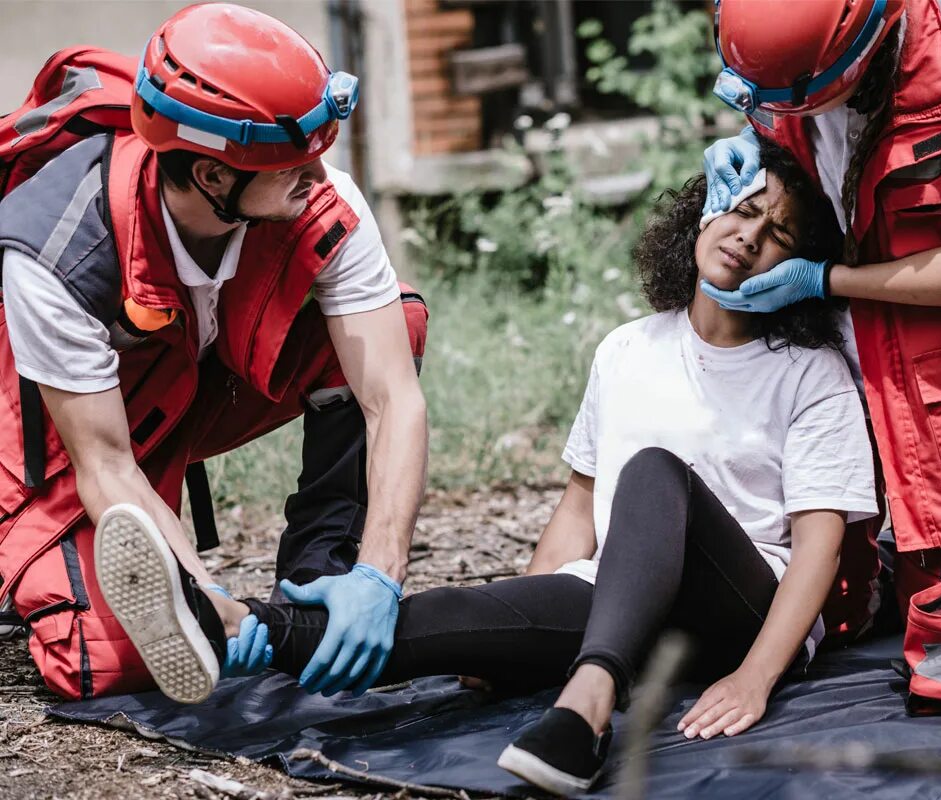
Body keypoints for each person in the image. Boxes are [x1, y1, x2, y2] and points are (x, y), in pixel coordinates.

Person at [95, 139, 880, 795]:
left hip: (736, 612)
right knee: (442, 624)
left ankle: (585, 708)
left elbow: (817, 548)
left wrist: (757, 678)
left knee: (652, 472)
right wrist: (510, 626)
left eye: (778, 234)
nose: (750, 235)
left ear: (798, 264)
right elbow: (578, 508)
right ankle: (234, 626)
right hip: (623, 603)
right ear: (705, 210)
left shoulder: (810, 373)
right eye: (744, 209)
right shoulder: (629, 348)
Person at [0, 4, 428, 702]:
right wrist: (212, 601)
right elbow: (105, 465)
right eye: (294, 162)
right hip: (73, 428)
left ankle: (320, 572)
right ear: (211, 175)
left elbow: (393, 399)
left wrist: (381, 574)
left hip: (199, 384)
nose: (318, 175)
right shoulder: (55, 251)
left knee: (397, 325)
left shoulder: (316, 199)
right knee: (98, 663)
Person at [700, 0, 941, 622]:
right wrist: (754, 140)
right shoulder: (789, 47)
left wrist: (827, 279)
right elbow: (800, 128)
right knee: (838, 607)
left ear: (861, 60)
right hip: (854, 360)